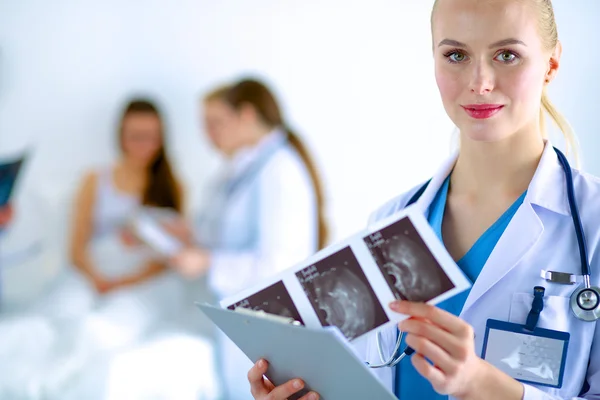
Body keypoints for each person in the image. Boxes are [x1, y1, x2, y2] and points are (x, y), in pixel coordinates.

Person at [246, 0, 599, 399]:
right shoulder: (390, 221)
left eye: (507, 55)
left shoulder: (592, 223)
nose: (480, 81)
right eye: (456, 55)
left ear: (551, 64)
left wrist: (486, 387)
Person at [169, 78, 328, 399]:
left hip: (264, 322)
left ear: (246, 115)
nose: (210, 134)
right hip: (240, 318)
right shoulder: (246, 167)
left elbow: (278, 264)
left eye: (217, 122)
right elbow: (231, 233)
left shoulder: (279, 170)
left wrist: (208, 263)